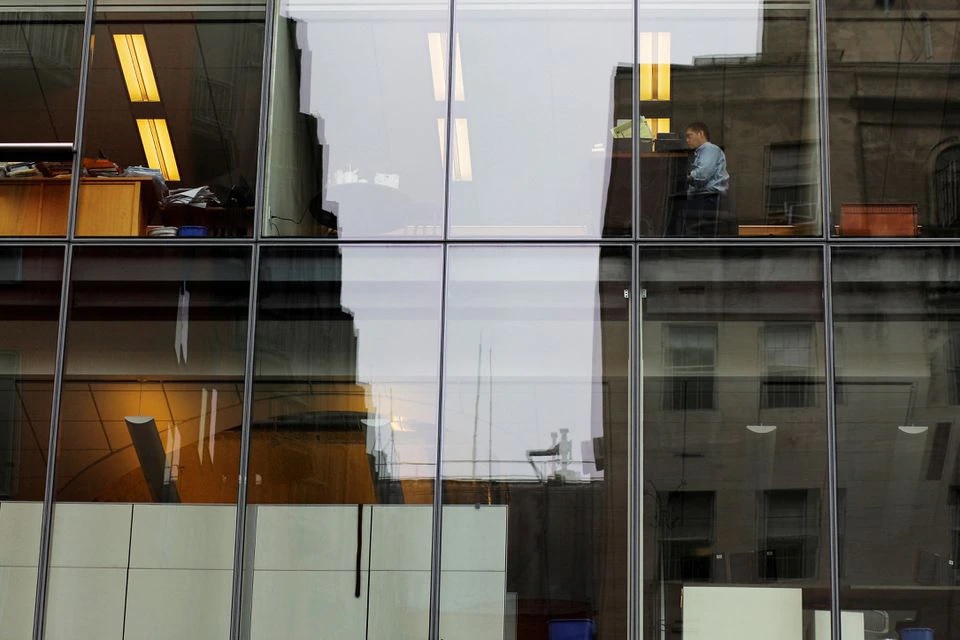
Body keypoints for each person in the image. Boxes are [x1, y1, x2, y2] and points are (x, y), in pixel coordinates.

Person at [675, 122, 729, 236]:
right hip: (704, 197)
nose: (687, 140)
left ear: (701, 133)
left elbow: (702, 175)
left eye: (689, 136)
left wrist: (682, 178)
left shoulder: (710, 149)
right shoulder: (701, 152)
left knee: (702, 231)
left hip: (707, 198)